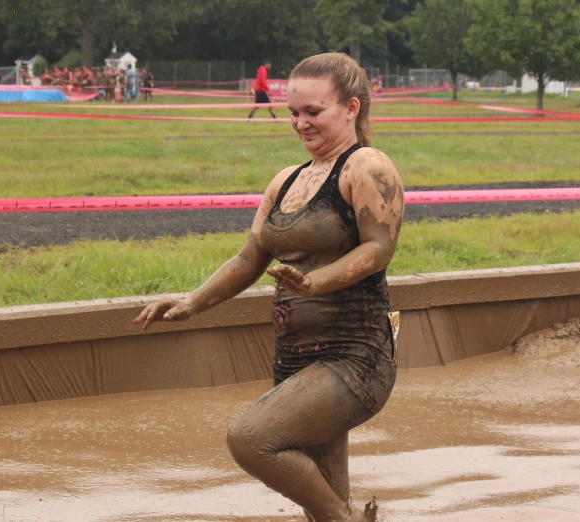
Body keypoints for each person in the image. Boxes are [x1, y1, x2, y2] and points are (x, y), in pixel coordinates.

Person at [134, 52, 404, 522]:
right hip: (295, 358)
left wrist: (313, 282)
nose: (300, 123)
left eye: (313, 112)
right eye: (294, 112)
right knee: (322, 498)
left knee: (252, 439)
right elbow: (248, 258)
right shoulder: (285, 181)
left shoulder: (368, 167)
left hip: (355, 356)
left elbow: (378, 249)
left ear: (352, 108)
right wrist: (192, 301)